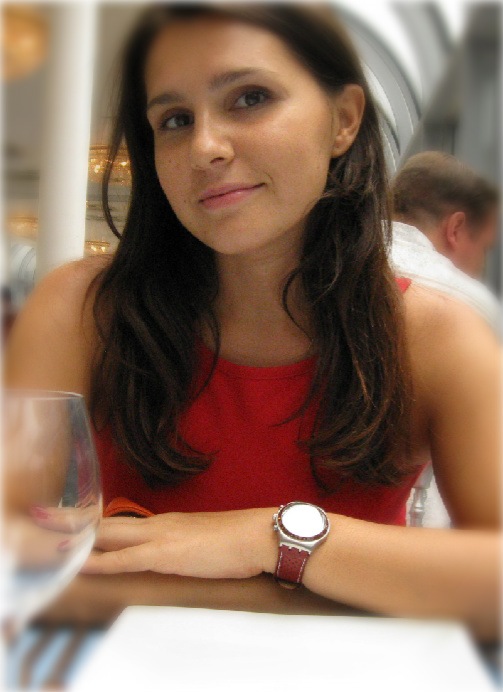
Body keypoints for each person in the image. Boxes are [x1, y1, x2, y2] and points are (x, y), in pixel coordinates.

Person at [4, 4, 500, 640]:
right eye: (175, 119)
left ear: (344, 120)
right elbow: (14, 563)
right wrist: (319, 589)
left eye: (250, 98)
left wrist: (267, 537)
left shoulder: (438, 339)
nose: (205, 147)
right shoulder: (81, 311)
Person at [390, 150, 501, 332]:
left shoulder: (344, 261)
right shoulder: (472, 306)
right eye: (484, 248)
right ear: (455, 229)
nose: (483, 264)